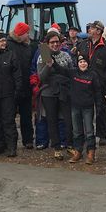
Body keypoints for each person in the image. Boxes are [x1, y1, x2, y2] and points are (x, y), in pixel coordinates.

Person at [57, 54, 100, 164]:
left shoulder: (93, 75)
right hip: (75, 106)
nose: (83, 64)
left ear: (88, 63)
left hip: (88, 107)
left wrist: (98, 106)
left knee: (89, 131)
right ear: (77, 63)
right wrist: (51, 62)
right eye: (81, 62)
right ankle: (78, 151)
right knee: (76, 131)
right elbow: (60, 70)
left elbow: (97, 92)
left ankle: (91, 153)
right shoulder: (73, 73)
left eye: (85, 62)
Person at [37, 31, 74, 160]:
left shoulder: (66, 55)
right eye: (52, 42)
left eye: (57, 41)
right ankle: (57, 148)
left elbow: (71, 73)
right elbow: (41, 77)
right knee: (52, 120)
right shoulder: (43, 56)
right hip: (48, 92)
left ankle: (70, 145)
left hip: (64, 91)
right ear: (47, 44)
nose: (55, 44)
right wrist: (48, 66)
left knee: (68, 119)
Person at [78, 20, 106, 146]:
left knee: (101, 109)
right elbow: (78, 59)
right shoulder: (83, 44)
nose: (89, 30)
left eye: (92, 28)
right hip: (84, 82)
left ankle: (102, 135)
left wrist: (105, 78)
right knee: (85, 109)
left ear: (98, 31)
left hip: (100, 83)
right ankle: (86, 135)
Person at [7, 22, 35, 149]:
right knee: (10, 115)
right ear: (20, 34)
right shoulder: (8, 45)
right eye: (27, 33)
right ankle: (11, 142)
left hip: (26, 85)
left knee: (26, 115)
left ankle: (28, 140)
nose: (28, 35)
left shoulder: (29, 46)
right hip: (12, 86)